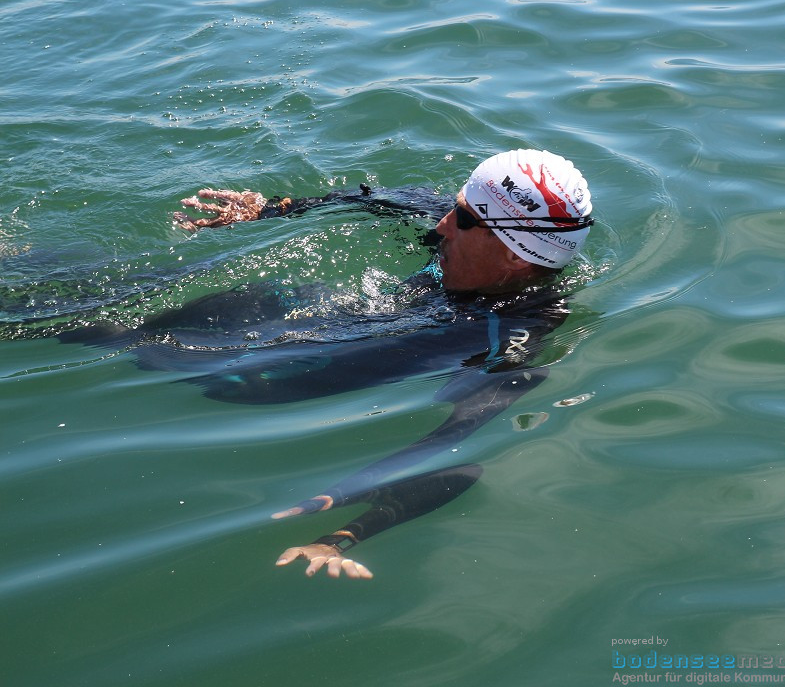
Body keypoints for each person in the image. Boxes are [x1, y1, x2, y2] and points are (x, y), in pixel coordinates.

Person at [166, 149, 595, 579]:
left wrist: (344, 527)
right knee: (219, 301)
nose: (443, 223)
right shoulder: (475, 225)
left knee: (192, 364)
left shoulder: (517, 329)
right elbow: (375, 198)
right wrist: (271, 210)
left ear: (516, 257)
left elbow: (457, 444)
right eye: (455, 206)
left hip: (284, 374)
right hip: (320, 314)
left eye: (463, 219)